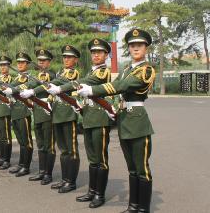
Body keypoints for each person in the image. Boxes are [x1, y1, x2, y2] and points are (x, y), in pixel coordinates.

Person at [76, 29, 155, 213]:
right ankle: (133, 206)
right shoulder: (127, 69)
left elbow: (121, 86)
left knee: (142, 168)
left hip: (138, 121)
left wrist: (93, 91)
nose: (135, 48)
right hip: (124, 120)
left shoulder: (146, 69)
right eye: (132, 45)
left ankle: (143, 209)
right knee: (132, 169)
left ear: (146, 48)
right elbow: (116, 88)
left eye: (139, 45)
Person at [48, 38, 113, 207]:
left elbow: (85, 83)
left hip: (99, 118)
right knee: (92, 158)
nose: (96, 55)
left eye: (99, 52)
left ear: (106, 55)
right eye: (93, 52)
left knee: (101, 159)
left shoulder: (102, 72)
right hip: (90, 117)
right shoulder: (91, 72)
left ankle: (100, 194)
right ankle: (92, 191)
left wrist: (61, 88)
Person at [32, 45, 81, 193]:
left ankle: (71, 182)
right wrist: (49, 100)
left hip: (67, 113)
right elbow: (54, 89)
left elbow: (58, 84)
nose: (66, 59)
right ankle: (64, 179)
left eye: (69, 57)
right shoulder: (60, 72)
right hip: (58, 113)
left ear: (76, 60)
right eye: (65, 57)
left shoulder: (72, 73)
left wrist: (39, 89)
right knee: (63, 149)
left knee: (71, 150)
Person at [0, 52, 33, 177]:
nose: (20, 64)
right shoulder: (17, 78)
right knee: (21, 141)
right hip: (15, 111)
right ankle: (21, 164)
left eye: (22, 62)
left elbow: (14, 88)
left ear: (28, 64)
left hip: (24, 110)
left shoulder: (29, 78)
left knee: (26, 140)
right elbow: (6, 87)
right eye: (18, 62)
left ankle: (26, 166)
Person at [19, 49, 56, 185]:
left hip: (47, 112)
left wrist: (31, 91)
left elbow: (41, 86)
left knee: (49, 144)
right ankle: (42, 172)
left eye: (43, 60)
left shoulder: (50, 74)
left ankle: (48, 173)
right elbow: (31, 84)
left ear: (49, 62)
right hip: (38, 112)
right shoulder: (38, 75)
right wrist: (17, 89)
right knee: (40, 144)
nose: (41, 62)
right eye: (39, 60)